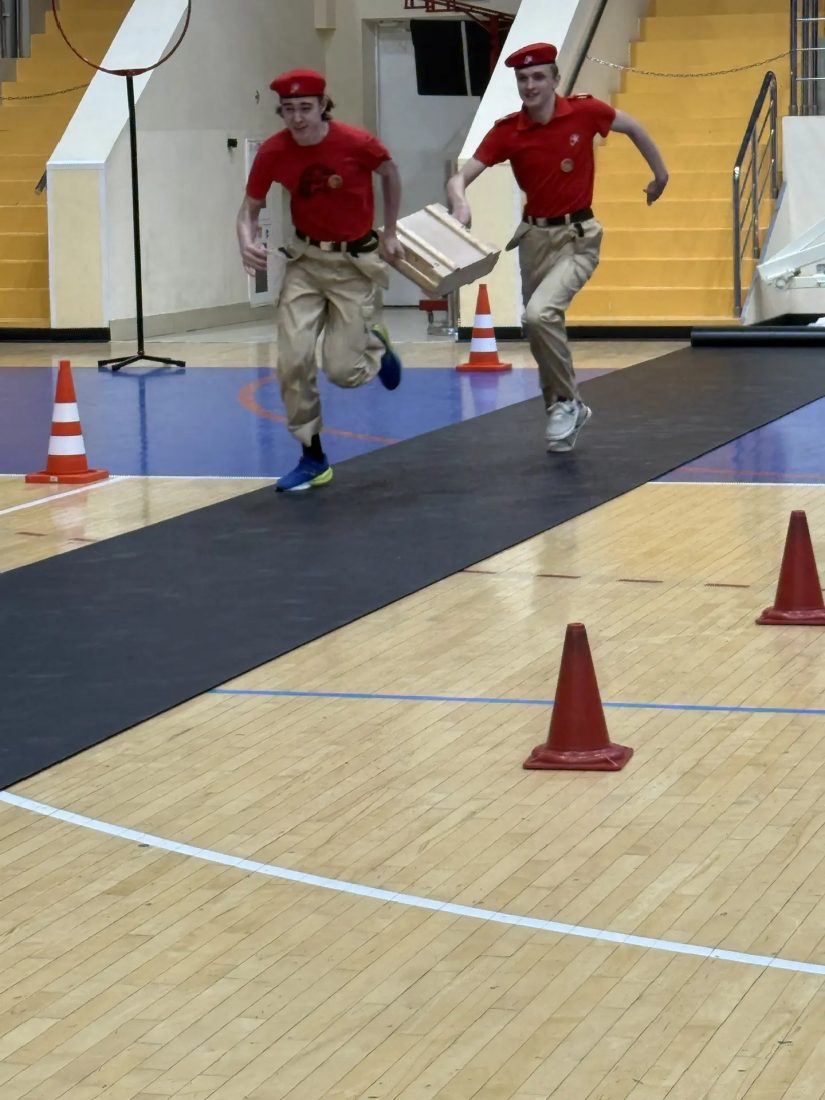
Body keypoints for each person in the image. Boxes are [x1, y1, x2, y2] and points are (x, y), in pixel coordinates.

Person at [446, 42, 669, 453]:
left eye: (538, 77)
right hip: (534, 240)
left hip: (578, 238)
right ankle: (561, 409)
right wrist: (460, 203)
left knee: (538, 314)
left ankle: (568, 402)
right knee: (539, 327)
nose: (530, 85)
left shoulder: (585, 112)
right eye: (522, 79)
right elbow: (460, 177)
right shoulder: (508, 131)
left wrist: (661, 175)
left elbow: (634, 127)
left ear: (554, 79)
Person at [237, 68, 405, 492]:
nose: (297, 118)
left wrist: (390, 231)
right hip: (306, 263)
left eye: (305, 108)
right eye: (289, 109)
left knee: (343, 372)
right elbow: (249, 209)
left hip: (353, 265)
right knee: (292, 361)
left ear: (323, 106)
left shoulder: (357, 143)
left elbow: (389, 172)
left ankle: (376, 346)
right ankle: (312, 457)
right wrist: (246, 241)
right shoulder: (274, 152)